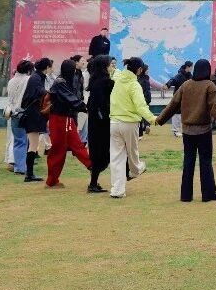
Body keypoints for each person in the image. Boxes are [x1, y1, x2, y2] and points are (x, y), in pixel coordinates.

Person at [156, 58, 216, 202]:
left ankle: (186, 196)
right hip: (204, 130)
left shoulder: (186, 85)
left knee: (188, 162)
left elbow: (173, 104)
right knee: (205, 162)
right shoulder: (210, 85)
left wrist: (160, 119)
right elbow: (214, 107)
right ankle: (208, 194)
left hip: (187, 131)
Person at [109, 56, 158, 199]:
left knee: (117, 157)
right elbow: (141, 106)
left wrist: (112, 68)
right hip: (129, 124)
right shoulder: (134, 85)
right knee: (133, 152)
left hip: (114, 123)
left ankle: (117, 190)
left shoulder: (119, 77)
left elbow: (114, 72)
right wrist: (153, 119)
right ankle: (136, 170)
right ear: (139, 69)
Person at [44, 58, 92, 188]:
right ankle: (51, 181)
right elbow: (70, 99)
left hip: (66, 118)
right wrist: (85, 107)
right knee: (59, 150)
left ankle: (92, 166)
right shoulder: (61, 83)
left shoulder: (63, 81)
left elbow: (72, 98)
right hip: (60, 119)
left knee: (77, 145)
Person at [18, 58, 53, 183]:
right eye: (51, 67)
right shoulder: (36, 78)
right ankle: (29, 174)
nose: (52, 69)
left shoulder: (37, 77)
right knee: (33, 145)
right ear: (47, 67)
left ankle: (30, 174)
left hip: (33, 114)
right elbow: (40, 93)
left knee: (33, 144)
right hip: (33, 115)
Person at [85, 55, 114, 193]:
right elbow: (103, 105)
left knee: (98, 153)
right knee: (103, 153)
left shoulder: (95, 81)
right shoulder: (105, 82)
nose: (112, 67)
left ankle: (93, 182)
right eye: (110, 64)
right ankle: (93, 183)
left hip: (95, 122)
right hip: (102, 123)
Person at [4, 60, 32, 174]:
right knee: (24, 140)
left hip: (12, 112)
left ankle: (17, 165)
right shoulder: (28, 80)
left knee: (17, 140)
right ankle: (21, 166)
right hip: (24, 112)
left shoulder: (11, 81)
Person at [165, 61, 193, 138]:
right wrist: (167, 85)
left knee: (187, 114)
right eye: (191, 67)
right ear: (188, 67)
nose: (192, 68)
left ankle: (186, 130)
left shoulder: (190, 76)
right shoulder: (180, 75)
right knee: (177, 113)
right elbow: (172, 80)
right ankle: (175, 131)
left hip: (187, 98)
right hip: (178, 97)